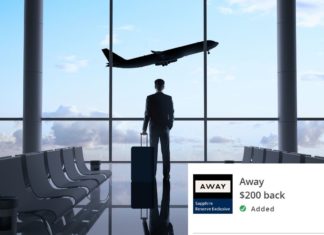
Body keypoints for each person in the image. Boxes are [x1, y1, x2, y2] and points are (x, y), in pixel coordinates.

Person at [142, 79, 174, 179]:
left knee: (153, 151)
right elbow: (171, 113)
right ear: (163, 86)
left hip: (154, 127)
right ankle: (166, 174)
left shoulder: (150, 98)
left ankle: (153, 173)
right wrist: (169, 125)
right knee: (165, 152)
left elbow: (147, 114)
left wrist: (144, 128)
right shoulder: (168, 98)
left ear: (155, 86)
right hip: (164, 128)